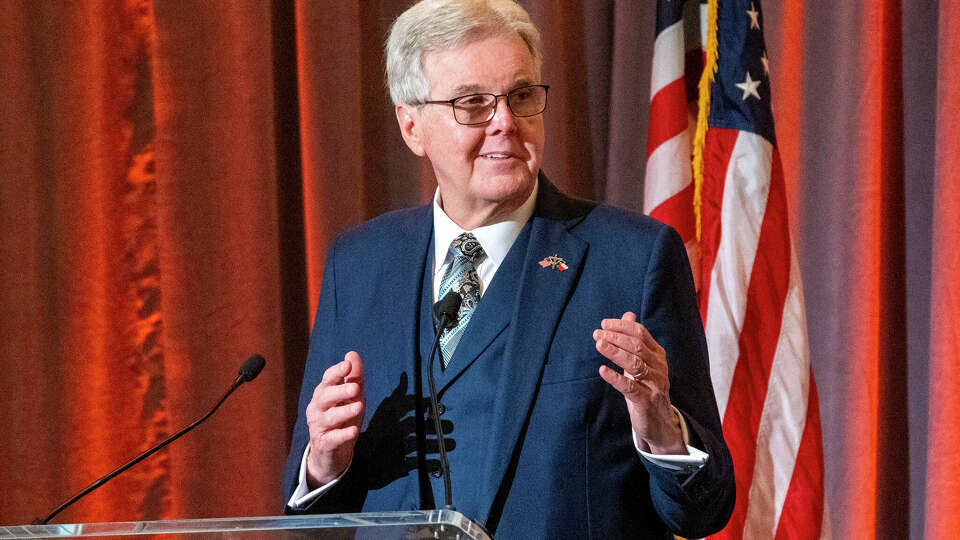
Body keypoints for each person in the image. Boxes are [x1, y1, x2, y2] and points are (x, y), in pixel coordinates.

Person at [282, 1, 735, 538]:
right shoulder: (359, 264)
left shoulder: (632, 259)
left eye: (521, 97)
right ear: (411, 125)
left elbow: (705, 508)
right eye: (473, 103)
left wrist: (664, 433)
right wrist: (323, 466)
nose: (505, 123)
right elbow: (307, 513)